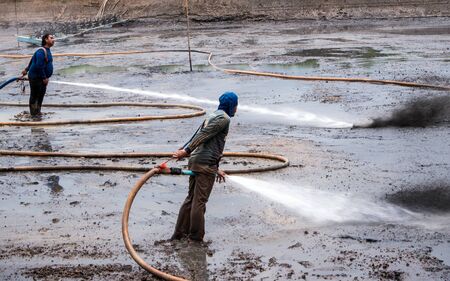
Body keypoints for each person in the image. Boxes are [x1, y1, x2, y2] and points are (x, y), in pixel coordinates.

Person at [170, 91, 238, 242]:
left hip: (198, 162)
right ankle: (195, 237)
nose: (236, 109)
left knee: (191, 199)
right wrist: (185, 150)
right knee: (199, 202)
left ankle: (179, 233)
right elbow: (203, 135)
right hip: (204, 164)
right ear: (231, 105)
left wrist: (215, 168)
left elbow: (199, 137)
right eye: (236, 105)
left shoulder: (213, 115)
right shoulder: (224, 119)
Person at [21, 34, 54, 117]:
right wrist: (44, 78)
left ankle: (38, 111)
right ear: (46, 40)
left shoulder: (47, 50)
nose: (54, 39)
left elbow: (32, 59)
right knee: (35, 95)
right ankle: (33, 114)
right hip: (36, 77)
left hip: (42, 78)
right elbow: (39, 66)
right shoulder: (41, 51)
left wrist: (26, 69)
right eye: (51, 38)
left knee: (41, 95)